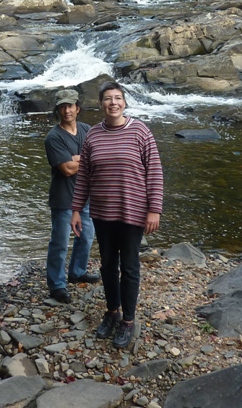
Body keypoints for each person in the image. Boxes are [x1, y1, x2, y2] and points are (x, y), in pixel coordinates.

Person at [70, 80, 163, 349]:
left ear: (124, 102)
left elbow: (155, 172)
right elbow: (84, 177)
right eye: (108, 98)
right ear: (100, 104)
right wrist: (76, 210)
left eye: (118, 98)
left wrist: (154, 209)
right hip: (101, 213)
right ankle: (112, 312)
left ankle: (128, 322)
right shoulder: (93, 136)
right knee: (108, 265)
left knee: (130, 267)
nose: (113, 103)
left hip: (133, 212)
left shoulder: (141, 132)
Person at [45, 88, 100, 305]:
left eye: (70, 106)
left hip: (87, 196)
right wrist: (84, 160)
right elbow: (67, 169)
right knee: (59, 243)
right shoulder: (53, 137)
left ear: (78, 108)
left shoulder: (88, 130)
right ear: (57, 110)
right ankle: (57, 285)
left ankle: (77, 272)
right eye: (62, 106)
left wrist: (79, 158)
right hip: (63, 198)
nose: (67, 110)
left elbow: (99, 158)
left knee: (86, 237)